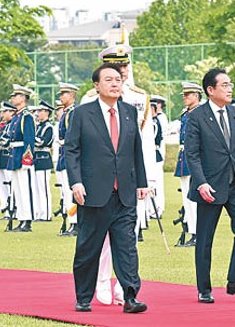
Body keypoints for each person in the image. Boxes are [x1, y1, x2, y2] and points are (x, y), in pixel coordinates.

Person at [65, 63, 149, 313]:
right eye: (109, 80)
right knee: (88, 249)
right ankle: (83, 297)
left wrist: (142, 182)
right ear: (97, 85)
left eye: (118, 80)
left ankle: (130, 296)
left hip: (124, 193)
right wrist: (76, 181)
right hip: (93, 194)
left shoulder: (128, 112)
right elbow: (71, 150)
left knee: (127, 248)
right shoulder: (82, 114)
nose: (115, 84)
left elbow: (136, 150)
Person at [184, 67, 235, 304]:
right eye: (224, 85)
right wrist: (201, 183)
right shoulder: (196, 116)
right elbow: (192, 155)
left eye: (230, 84)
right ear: (210, 90)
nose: (230, 89)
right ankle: (203, 288)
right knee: (205, 238)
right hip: (210, 186)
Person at [174, 81, 203, 248]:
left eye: (188, 95)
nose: (185, 98)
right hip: (184, 158)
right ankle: (192, 231)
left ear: (197, 96)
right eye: (184, 95)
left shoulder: (201, 113)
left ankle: (197, 233)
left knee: (194, 200)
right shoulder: (185, 114)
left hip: (195, 158)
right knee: (187, 198)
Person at [6, 84, 37, 233]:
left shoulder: (27, 116)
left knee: (26, 189)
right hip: (15, 154)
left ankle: (28, 220)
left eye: (16, 96)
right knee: (18, 190)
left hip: (23, 156)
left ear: (23, 98)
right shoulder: (17, 116)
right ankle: (21, 218)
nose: (13, 98)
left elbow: (29, 139)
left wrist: (27, 159)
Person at [55, 82, 80, 236]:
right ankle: (72, 223)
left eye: (64, 94)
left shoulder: (73, 113)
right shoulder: (66, 113)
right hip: (64, 155)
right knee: (66, 191)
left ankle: (75, 223)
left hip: (70, 156)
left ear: (71, 95)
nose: (61, 96)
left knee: (71, 192)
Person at [33, 100, 55, 221]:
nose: (38, 113)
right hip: (36, 159)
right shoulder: (38, 126)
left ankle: (46, 214)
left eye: (41, 111)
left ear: (47, 112)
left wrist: (31, 137)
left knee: (44, 188)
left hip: (44, 159)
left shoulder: (49, 127)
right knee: (36, 188)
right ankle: (39, 213)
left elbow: (43, 142)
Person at [150, 95, 168, 217]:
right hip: (152, 153)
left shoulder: (159, 120)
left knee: (157, 183)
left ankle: (158, 208)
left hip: (156, 152)